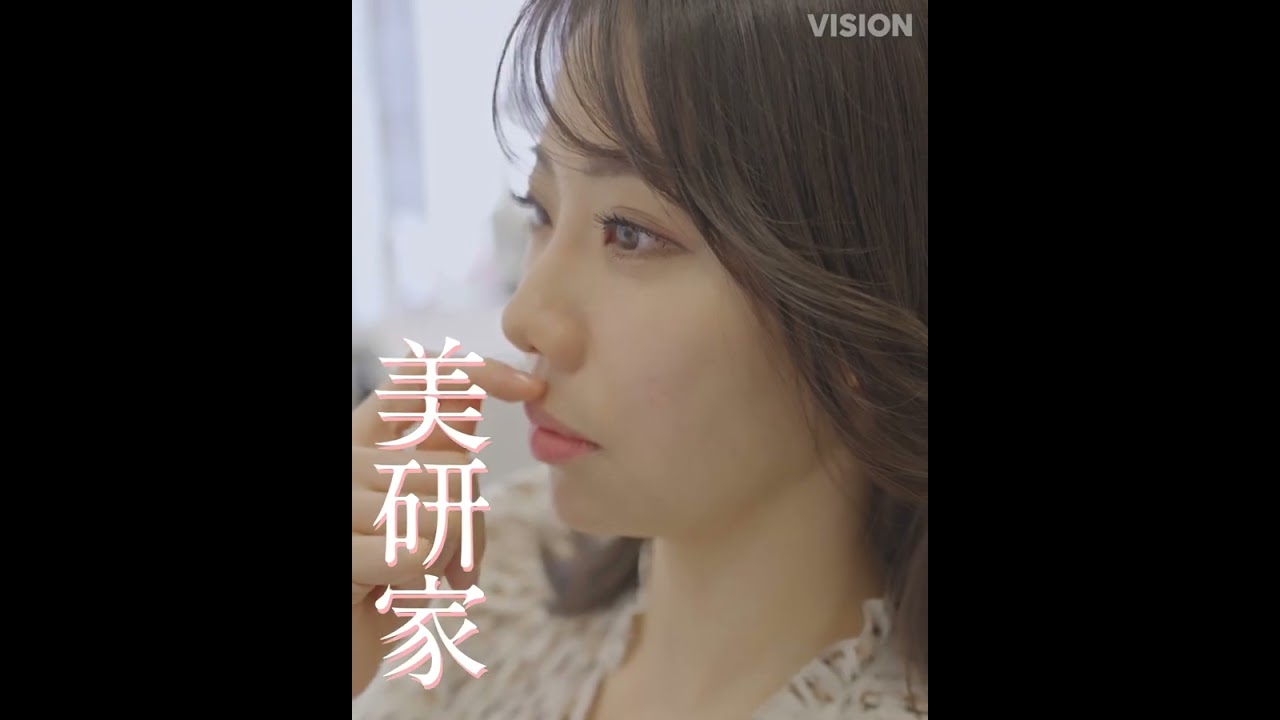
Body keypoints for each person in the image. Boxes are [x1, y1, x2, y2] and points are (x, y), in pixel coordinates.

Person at [352, 0, 928, 717]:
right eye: (540, 211)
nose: (524, 316)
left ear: (861, 317)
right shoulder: (487, 572)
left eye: (630, 233)